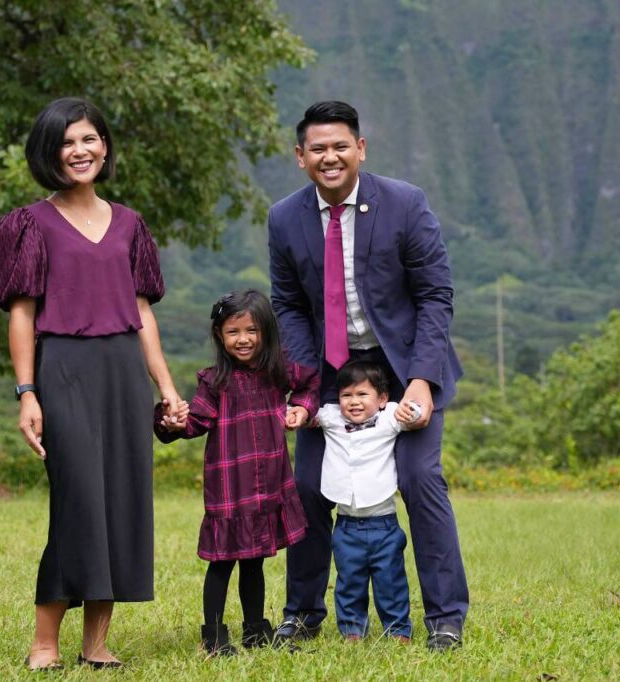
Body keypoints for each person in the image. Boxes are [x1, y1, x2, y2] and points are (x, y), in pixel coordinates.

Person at [0, 97, 186, 671]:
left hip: (124, 371)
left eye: (90, 139)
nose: (80, 151)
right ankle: (44, 641)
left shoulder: (130, 224)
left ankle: (96, 643)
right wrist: (27, 394)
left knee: (122, 502)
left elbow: (142, 312)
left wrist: (167, 389)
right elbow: (21, 314)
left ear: (105, 146)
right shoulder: (29, 224)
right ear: (49, 153)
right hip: (64, 369)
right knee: (78, 503)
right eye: (68, 142)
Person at [267, 100, 470, 651]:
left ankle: (446, 617)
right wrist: (305, 387)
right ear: (300, 157)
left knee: (419, 479)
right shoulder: (285, 217)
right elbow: (287, 305)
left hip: (403, 367)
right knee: (307, 485)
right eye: (317, 149)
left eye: (340, 146)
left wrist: (423, 380)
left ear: (361, 149)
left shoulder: (404, 203)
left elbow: (435, 295)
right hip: (329, 370)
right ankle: (303, 613)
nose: (329, 157)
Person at [154, 289, 319, 657]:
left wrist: (302, 410)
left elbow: (310, 383)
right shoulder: (214, 382)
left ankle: (255, 628)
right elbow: (195, 421)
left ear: (266, 333)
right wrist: (172, 422)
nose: (243, 339)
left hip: (268, 486)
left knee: (255, 561)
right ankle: (213, 635)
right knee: (222, 562)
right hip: (230, 489)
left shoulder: (277, 372)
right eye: (233, 332)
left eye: (251, 330)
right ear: (219, 336)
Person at [315, 360, 418, 641]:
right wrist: (294, 414)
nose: (354, 402)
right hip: (346, 525)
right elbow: (307, 413)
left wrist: (415, 410)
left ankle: (397, 630)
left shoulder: (390, 417)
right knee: (349, 581)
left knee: (391, 581)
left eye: (363, 394)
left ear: (382, 398)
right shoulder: (333, 418)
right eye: (346, 395)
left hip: (384, 524)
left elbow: (416, 413)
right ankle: (351, 630)